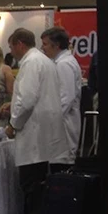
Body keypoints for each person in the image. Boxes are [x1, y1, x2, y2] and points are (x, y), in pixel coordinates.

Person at [5, 28, 69, 214]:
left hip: (33, 128)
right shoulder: (45, 61)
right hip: (44, 128)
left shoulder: (31, 63)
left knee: (31, 178)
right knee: (40, 176)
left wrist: (13, 123)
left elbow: (27, 100)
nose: (11, 51)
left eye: (11, 46)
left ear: (20, 44)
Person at [41, 25, 82, 168]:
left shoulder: (64, 65)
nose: (43, 48)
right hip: (60, 129)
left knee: (60, 170)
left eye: (45, 44)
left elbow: (66, 98)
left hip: (63, 130)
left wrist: (49, 120)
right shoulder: (61, 63)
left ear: (56, 45)